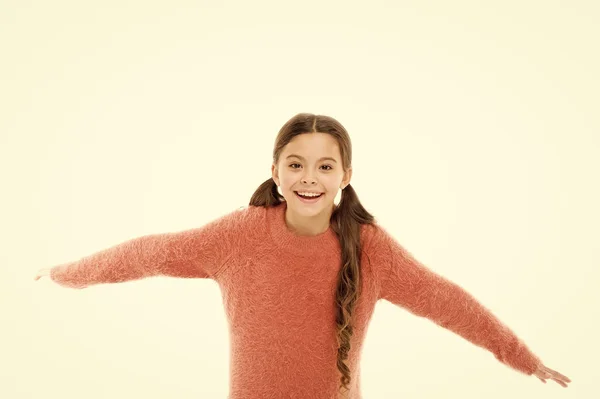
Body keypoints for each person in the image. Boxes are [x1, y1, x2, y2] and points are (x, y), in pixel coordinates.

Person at [35, 113, 571, 397]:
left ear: (346, 176)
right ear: (275, 171)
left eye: (323, 166)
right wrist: (66, 274)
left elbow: (446, 302)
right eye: (295, 164)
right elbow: (149, 253)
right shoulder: (238, 236)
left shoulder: (370, 247)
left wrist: (519, 356)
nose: (308, 178)